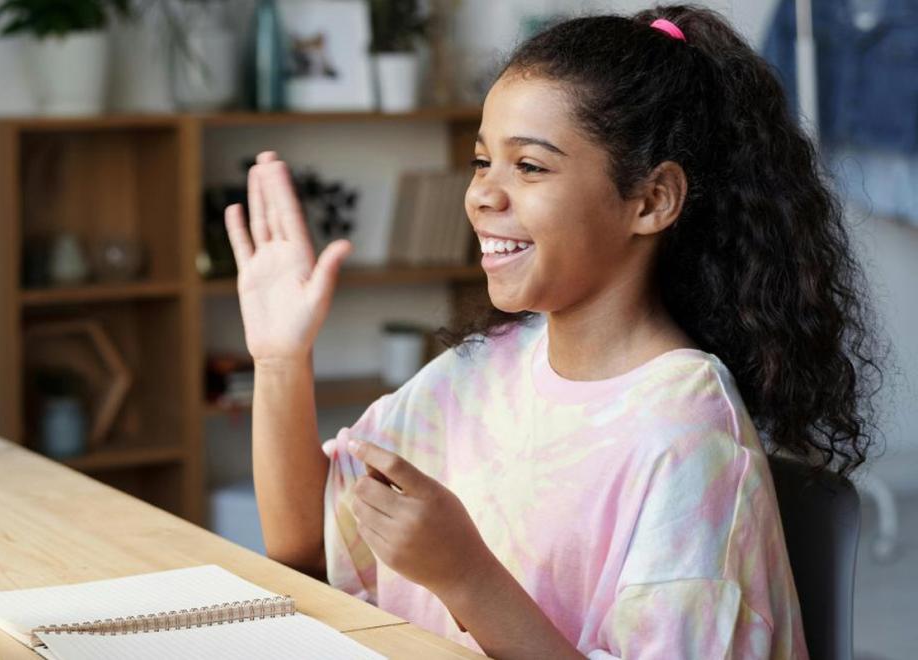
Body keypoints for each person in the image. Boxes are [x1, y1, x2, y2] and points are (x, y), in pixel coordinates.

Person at [222, 5, 884, 659]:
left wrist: (467, 578)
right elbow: (304, 542)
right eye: (483, 161)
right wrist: (281, 358)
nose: (483, 193)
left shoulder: (686, 441)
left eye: (530, 167)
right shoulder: (479, 372)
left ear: (652, 201)